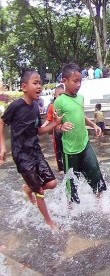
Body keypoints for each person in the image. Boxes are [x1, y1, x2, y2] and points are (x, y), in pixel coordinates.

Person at [0, 68, 63, 229]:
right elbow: (2, 122)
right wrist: (2, 146)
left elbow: (38, 130)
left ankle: (28, 188)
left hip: (35, 150)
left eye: (40, 83)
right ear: (24, 87)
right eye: (35, 83)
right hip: (22, 155)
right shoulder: (16, 106)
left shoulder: (35, 107)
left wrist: (55, 123)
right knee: (40, 190)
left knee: (53, 183)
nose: (39, 86)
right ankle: (49, 222)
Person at [54, 62, 107, 204]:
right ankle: (70, 212)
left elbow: (80, 116)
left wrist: (93, 125)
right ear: (64, 81)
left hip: (85, 144)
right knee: (72, 184)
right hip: (70, 150)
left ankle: (101, 206)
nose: (78, 84)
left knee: (95, 173)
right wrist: (61, 127)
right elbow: (55, 125)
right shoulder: (59, 102)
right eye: (75, 81)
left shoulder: (80, 98)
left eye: (80, 81)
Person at [42, 84, 65, 173]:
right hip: (56, 131)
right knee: (58, 149)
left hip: (66, 131)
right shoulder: (52, 106)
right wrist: (43, 127)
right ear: (55, 95)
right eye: (59, 94)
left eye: (63, 94)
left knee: (67, 148)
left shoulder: (66, 105)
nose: (61, 96)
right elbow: (49, 119)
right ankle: (60, 168)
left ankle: (68, 166)